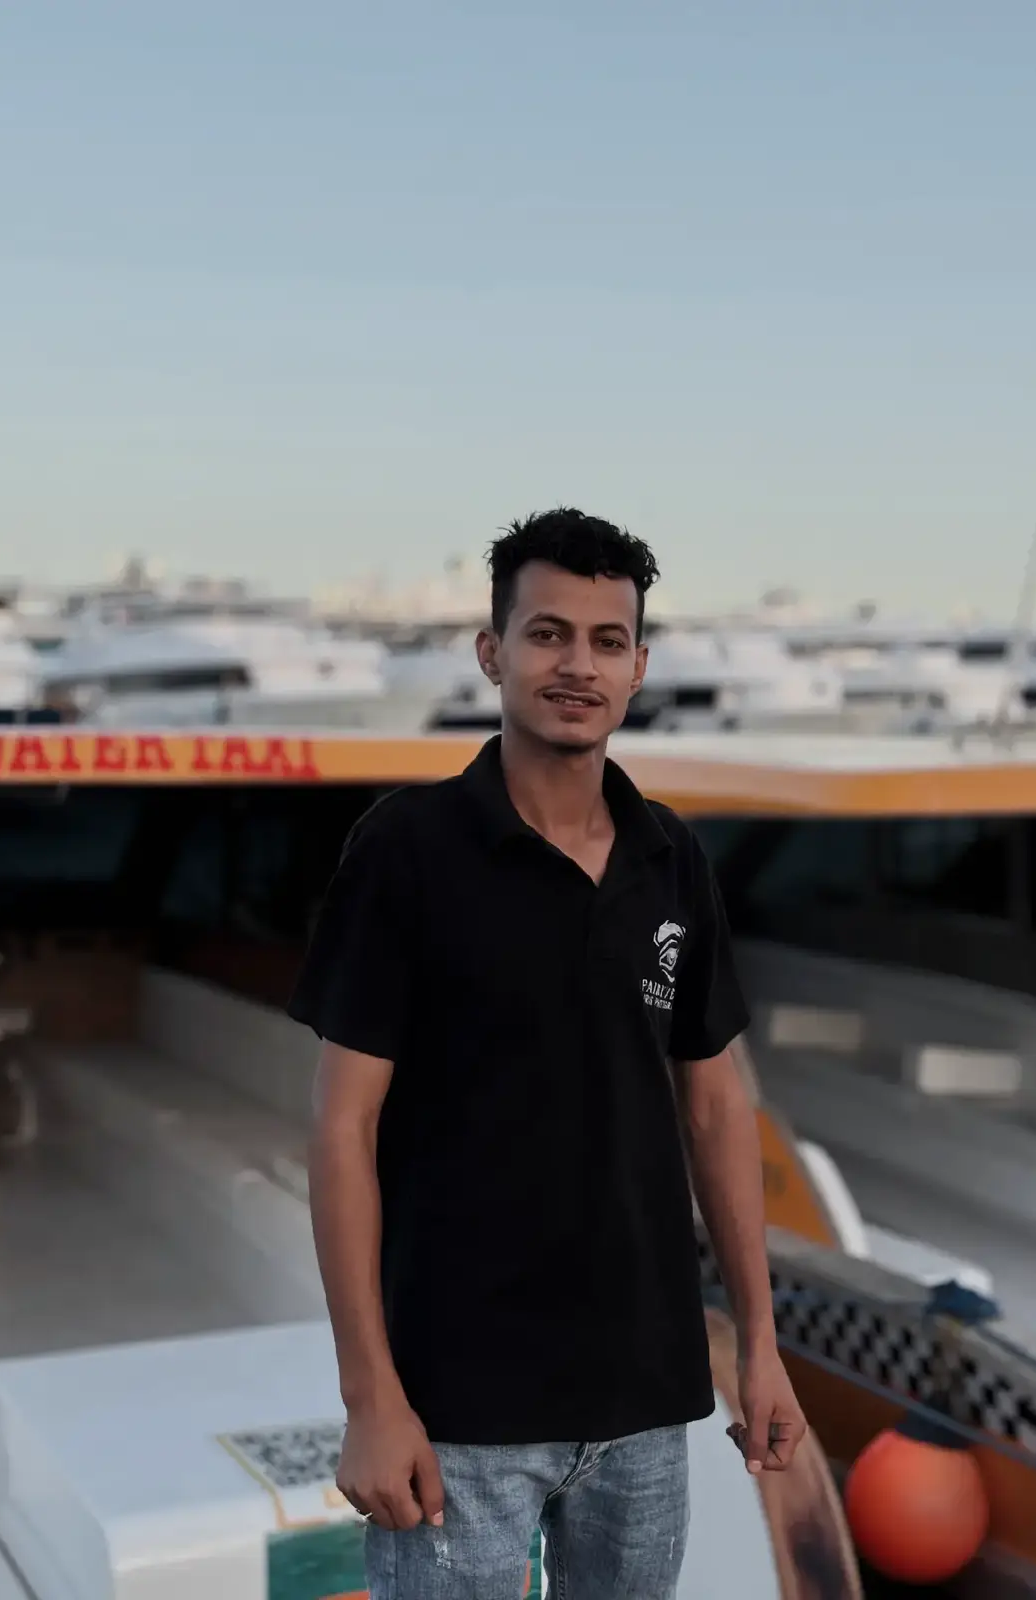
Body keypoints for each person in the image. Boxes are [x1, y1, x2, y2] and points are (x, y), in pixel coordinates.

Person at [289, 507, 806, 1600]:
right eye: (548, 634)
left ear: (639, 668)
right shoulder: (407, 851)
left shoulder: (673, 858)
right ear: (493, 652)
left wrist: (761, 1345)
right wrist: (370, 1398)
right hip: (457, 1410)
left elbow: (716, 1112)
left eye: (607, 641)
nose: (579, 665)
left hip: (645, 1405)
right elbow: (342, 1128)